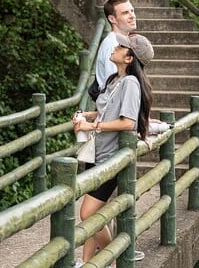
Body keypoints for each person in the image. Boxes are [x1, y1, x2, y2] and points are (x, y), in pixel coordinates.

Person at [73, 33, 154, 267]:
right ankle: (87, 263)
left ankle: (118, 259)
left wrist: (91, 126)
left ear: (129, 58)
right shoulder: (114, 79)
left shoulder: (131, 83)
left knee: (88, 215)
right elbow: (106, 110)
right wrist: (86, 115)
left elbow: (128, 122)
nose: (115, 47)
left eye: (121, 47)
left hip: (110, 160)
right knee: (96, 214)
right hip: (97, 154)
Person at [95, 0, 137, 91]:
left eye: (132, 11)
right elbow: (114, 87)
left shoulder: (121, 41)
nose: (132, 16)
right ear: (112, 19)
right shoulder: (114, 45)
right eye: (125, 13)